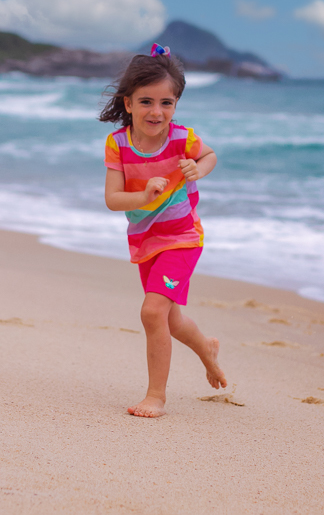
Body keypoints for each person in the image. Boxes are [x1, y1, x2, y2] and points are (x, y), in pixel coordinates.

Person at [101, 45, 227, 418]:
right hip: (146, 242)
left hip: (183, 238)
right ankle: (206, 348)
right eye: (146, 101)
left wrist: (197, 171)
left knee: (152, 312)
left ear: (176, 104)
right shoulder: (118, 145)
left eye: (167, 103)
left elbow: (210, 155)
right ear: (127, 104)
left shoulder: (183, 139)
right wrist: (143, 193)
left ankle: (156, 396)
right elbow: (112, 199)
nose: (157, 112)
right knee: (169, 320)